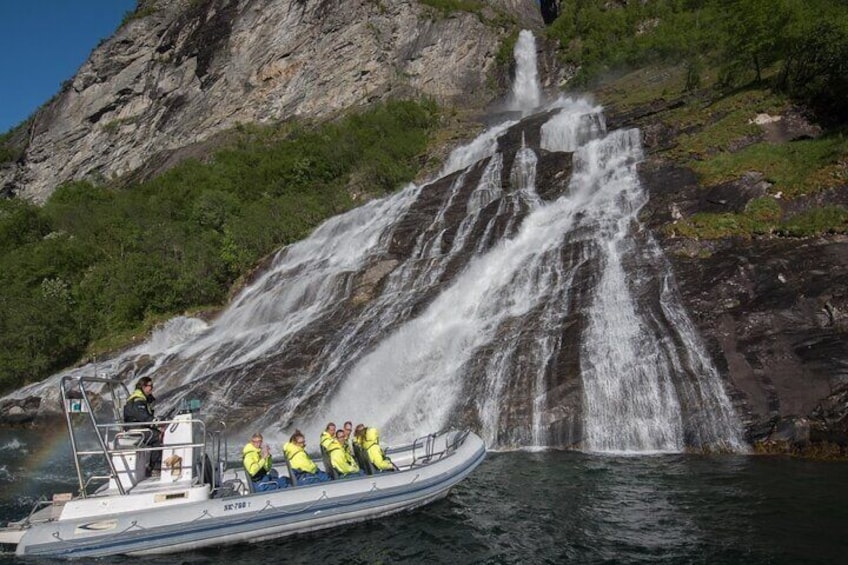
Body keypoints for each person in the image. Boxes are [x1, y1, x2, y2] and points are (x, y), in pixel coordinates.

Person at [123, 376, 163, 477]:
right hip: (135, 429)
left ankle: (153, 465)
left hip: (140, 427)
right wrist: (155, 422)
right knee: (158, 436)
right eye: (150, 386)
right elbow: (143, 416)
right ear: (143, 386)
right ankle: (155, 468)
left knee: (157, 432)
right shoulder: (138, 400)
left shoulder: (142, 398)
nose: (152, 388)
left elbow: (146, 417)